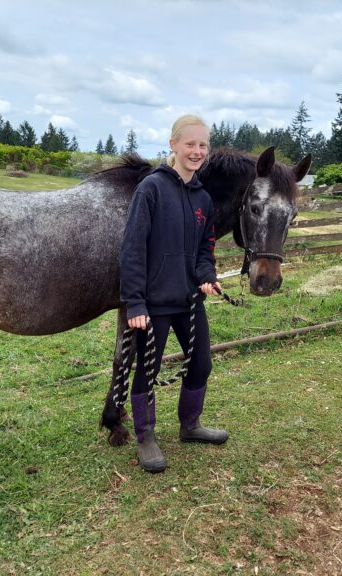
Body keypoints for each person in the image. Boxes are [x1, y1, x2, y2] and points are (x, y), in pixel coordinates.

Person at [119, 114, 229, 473]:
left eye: (203, 145)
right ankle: (145, 436)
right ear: (173, 145)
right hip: (152, 304)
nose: (197, 151)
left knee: (201, 363)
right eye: (190, 144)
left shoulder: (203, 198)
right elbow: (133, 248)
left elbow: (204, 248)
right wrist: (135, 302)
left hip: (189, 301)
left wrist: (206, 276)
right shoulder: (151, 189)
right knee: (147, 371)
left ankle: (190, 426)